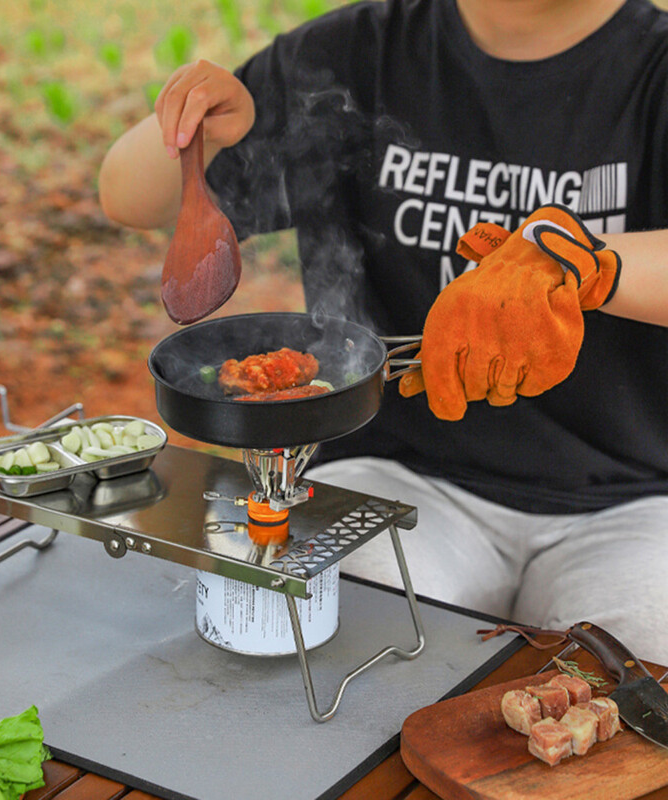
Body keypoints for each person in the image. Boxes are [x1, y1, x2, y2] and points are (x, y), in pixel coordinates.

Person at [99, 0, 668, 662]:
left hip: (630, 502)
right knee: (326, 645)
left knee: (633, 685)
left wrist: (586, 263)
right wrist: (198, 132)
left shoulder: (652, 68)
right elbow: (128, 197)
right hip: (400, 473)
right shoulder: (351, 54)